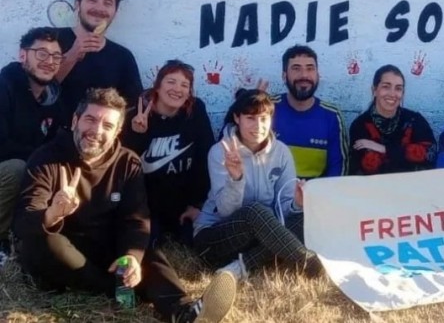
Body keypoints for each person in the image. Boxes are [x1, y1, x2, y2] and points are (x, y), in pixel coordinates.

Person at [14, 88, 235, 322]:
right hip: (63, 245)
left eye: (107, 126)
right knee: (46, 242)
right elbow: (23, 221)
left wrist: (131, 257)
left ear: (118, 131)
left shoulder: (127, 161)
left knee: (147, 254)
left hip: (104, 245)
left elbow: (135, 218)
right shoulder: (46, 158)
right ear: (75, 120)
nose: (97, 131)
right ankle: (118, 288)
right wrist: (52, 213)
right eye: (90, 119)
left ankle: (184, 312)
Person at [194, 89, 323, 282]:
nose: (258, 126)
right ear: (237, 118)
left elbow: (283, 212)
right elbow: (224, 211)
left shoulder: (281, 152)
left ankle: (238, 268)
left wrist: (296, 203)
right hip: (216, 238)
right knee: (255, 211)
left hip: (261, 238)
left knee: (303, 217)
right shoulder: (220, 152)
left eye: (264, 118)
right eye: (250, 118)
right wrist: (236, 179)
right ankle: (307, 262)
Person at [121, 60, 214, 247]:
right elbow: (123, 168)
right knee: (150, 245)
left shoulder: (196, 112)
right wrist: (137, 135)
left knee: (193, 244)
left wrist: (197, 204)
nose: (177, 89)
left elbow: (205, 158)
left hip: (181, 204)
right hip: (146, 205)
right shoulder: (137, 114)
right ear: (158, 86)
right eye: (171, 82)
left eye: (184, 85)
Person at [0, 27, 69, 263]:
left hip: (28, 169)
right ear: (23, 56)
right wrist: (41, 160)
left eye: (56, 56)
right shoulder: (4, 86)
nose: (49, 61)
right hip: (6, 170)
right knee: (17, 169)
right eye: (41, 53)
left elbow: (59, 140)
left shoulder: (53, 96)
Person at [56, 0, 143, 114]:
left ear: (115, 12)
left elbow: (131, 108)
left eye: (108, 3)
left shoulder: (123, 57)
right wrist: (72, 55)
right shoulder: (50, 40)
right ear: (77, 4)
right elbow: (35, 89)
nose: (99, 9)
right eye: (92, 0)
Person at [272, 45, 347, 179]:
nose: (304, 75)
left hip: (315, 196)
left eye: (310, 68)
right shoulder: (267, 108)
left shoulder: (332, 116)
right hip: (272, 196)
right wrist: (248, 104)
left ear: (318, 75)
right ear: (284, 76)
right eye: (296, 68)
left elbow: (338, 170)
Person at [348, 65, 437, 175]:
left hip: (413, 187)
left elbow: (430, 154)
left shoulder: (414, 120)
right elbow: (369, 166)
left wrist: (383, 149)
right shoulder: (360, 125)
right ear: (374, 90)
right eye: (386, 87)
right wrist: (408, 155)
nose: (392, 94)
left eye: (398, 88)